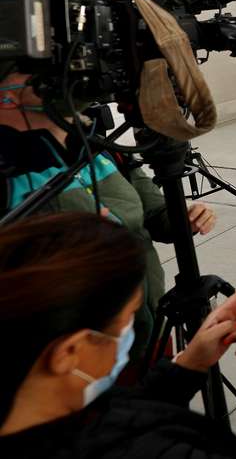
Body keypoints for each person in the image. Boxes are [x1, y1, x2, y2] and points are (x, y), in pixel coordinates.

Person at [0, 212, 236, 457]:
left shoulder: (48, 411)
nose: (131, 328)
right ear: (70, 352)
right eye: (128, 317)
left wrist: (188, 365)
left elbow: (122, 415)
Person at [0, 70, 216, 362]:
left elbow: (154, 214)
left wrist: (185, 216)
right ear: (7, 96)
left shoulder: (99, 145)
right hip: (73, 357)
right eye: (37, 78)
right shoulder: (10, 171)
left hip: (149, 329)